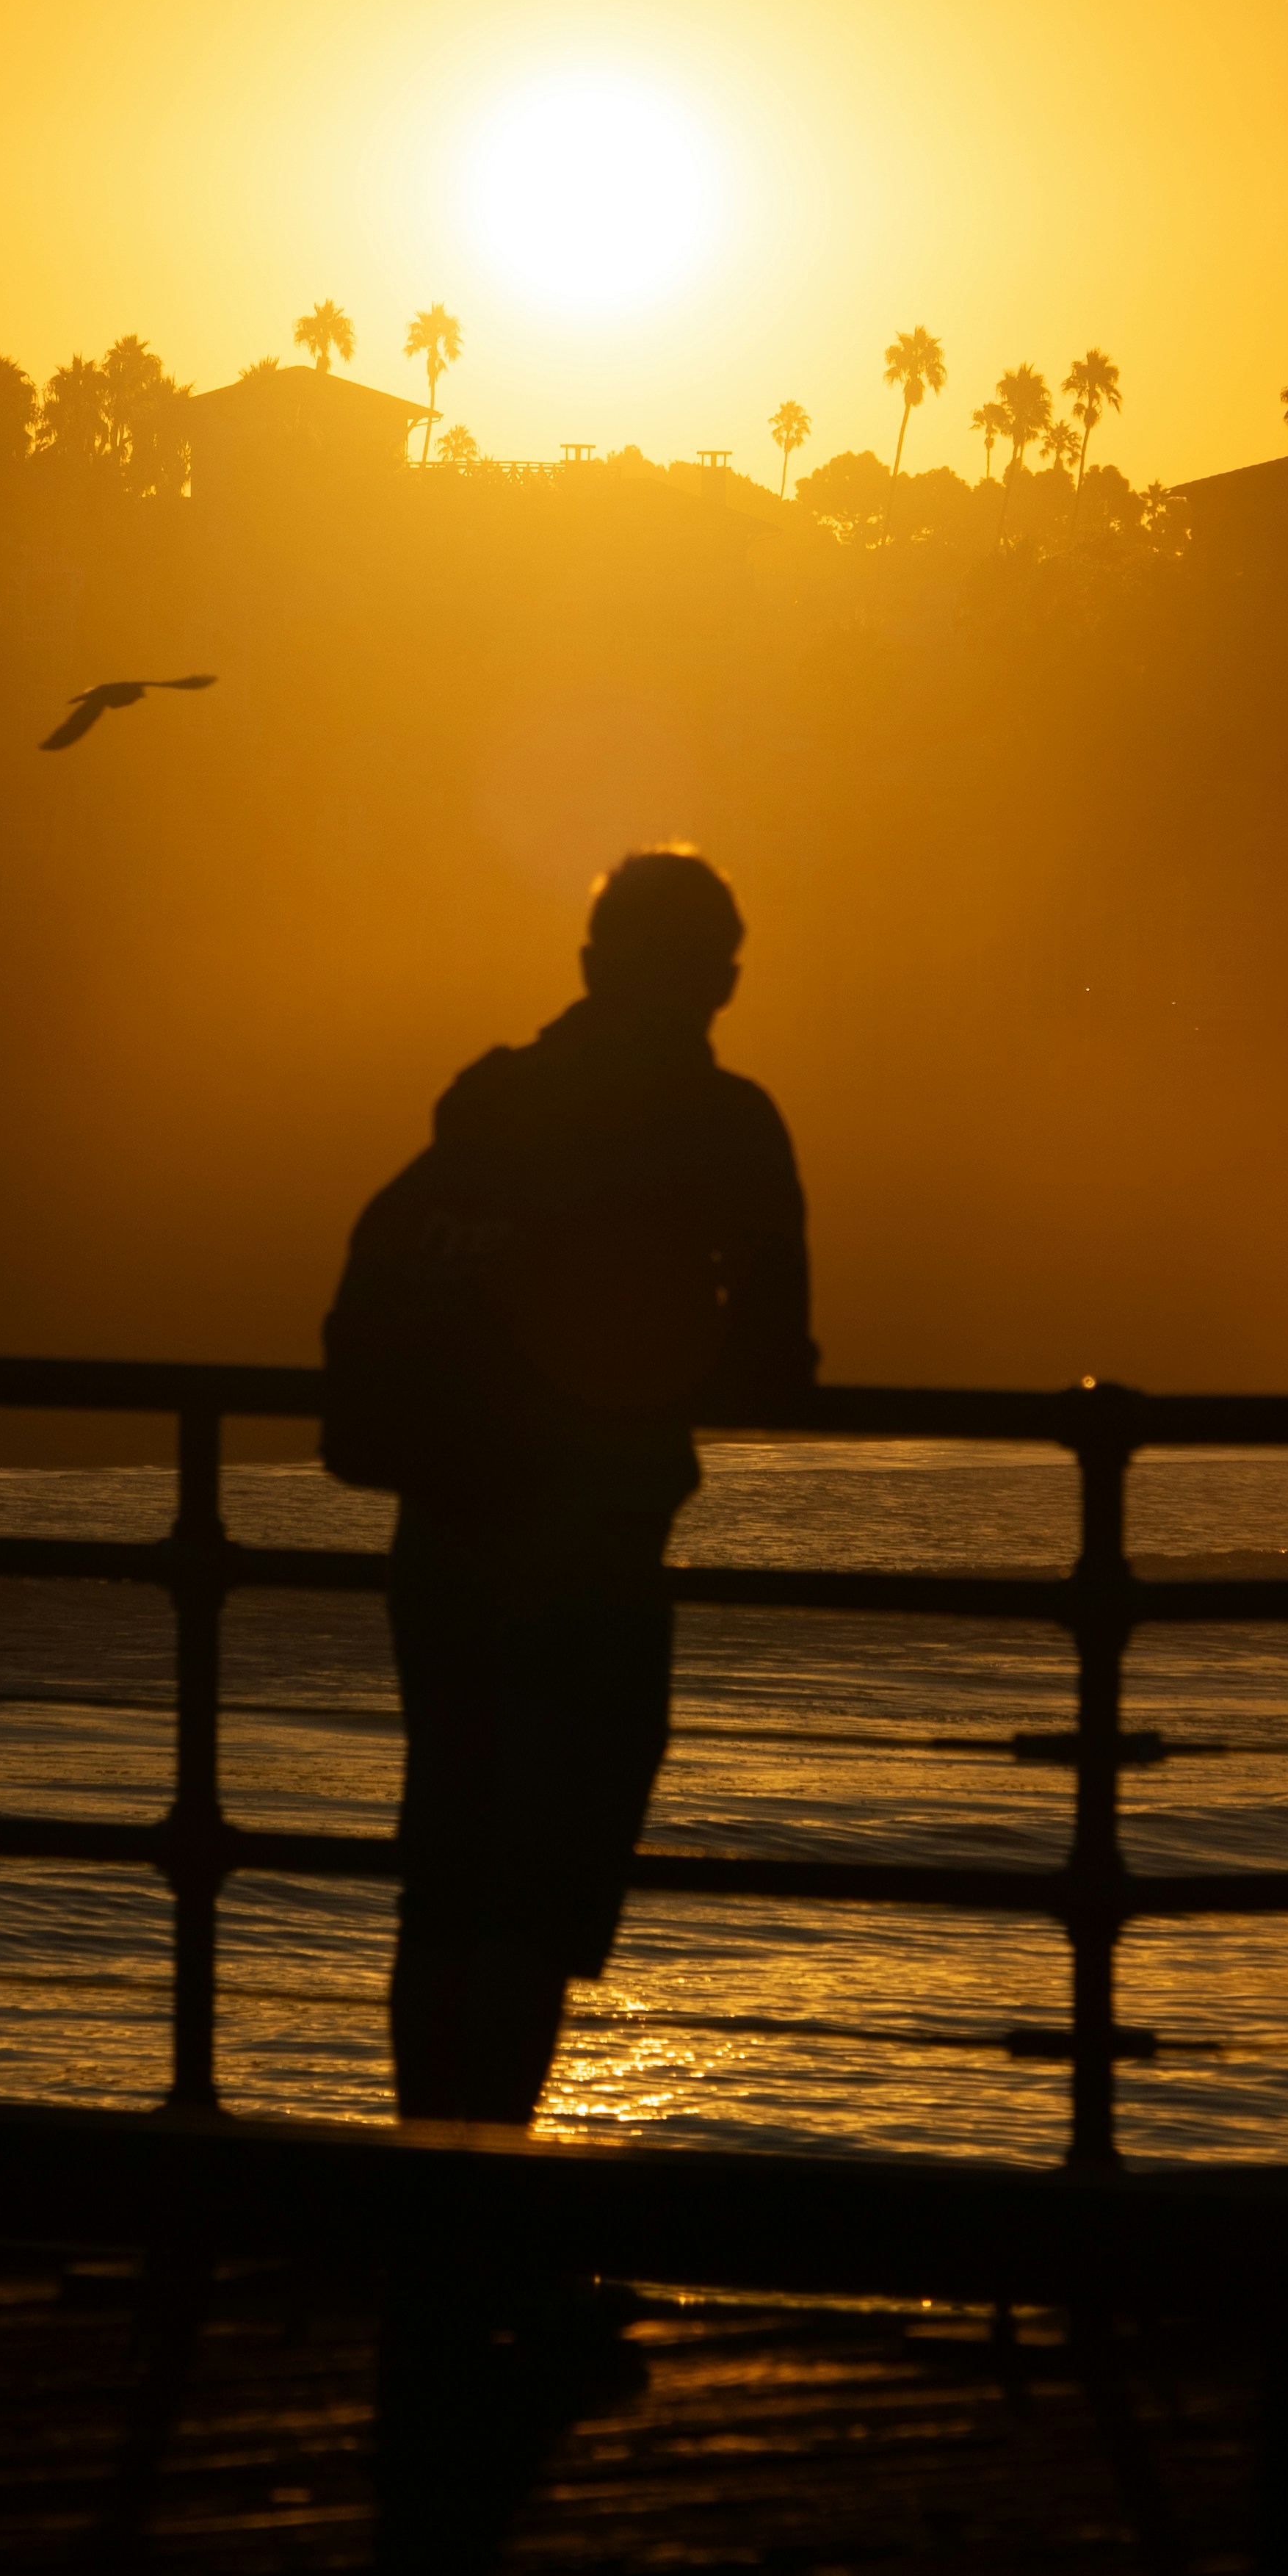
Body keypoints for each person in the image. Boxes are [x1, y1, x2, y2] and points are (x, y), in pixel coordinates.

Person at [323, 845, 816, 2128]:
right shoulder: (724, 1124)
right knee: (539, 1883)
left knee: (446, 1868)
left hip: (441, 1530)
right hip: (594, 1542)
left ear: (590, 965)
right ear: (721, 979)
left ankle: (427, 2166)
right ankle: (488, 2174)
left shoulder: (489, 1098)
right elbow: (776, 1367)